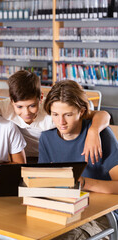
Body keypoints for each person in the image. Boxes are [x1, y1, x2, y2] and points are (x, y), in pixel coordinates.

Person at [0, 70, 111, 163]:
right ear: (11, 100)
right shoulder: (4, 108)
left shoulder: (53, 113)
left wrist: (94, 131)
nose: (26, 112)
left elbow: (102, 114)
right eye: (20, 107)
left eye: (32, 106)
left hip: (50, 160)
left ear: (41, 98)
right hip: (21, 160)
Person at [39, 80, 118, 239]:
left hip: (100, 215)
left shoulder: (102, 135)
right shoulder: (46, 139)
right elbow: (43, 184)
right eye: (55, 115)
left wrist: (83, 182)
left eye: (68, 115)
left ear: (81, 112)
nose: (61, 122)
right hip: (63, 210)